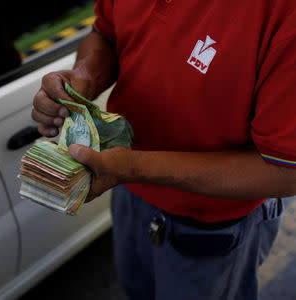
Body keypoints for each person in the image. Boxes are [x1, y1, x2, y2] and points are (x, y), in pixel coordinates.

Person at [31, 1, 296, 299]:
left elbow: (284, 170)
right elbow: (106, 34)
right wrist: (84, 77)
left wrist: (132, 167)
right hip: (128, 192)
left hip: (210, 226)